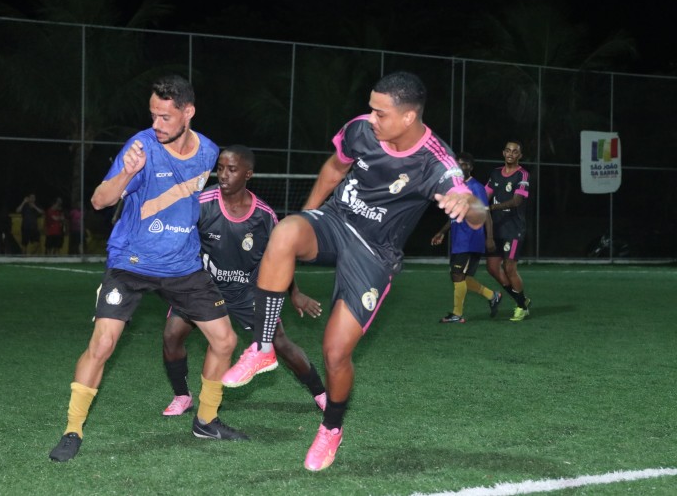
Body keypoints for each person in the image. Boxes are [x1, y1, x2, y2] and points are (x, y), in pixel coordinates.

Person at [221, 71, 487, 471]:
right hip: (335, 221)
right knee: (286, 232)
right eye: (371, 108)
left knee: (335, 351)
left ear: (409, 117)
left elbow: (474, 210)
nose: (371, 117)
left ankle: (331, 429)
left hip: (374, 253)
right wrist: (307, 215)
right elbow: (333, 170)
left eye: (381, 113)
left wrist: (468, 203)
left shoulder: (436, 161)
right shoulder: (360, 131)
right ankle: (262, 348)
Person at [49, 74, 247, 464]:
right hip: (131, 262)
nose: (157, 124)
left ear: (188, 113)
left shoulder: (208, 152)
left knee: (225, 342)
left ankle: (206, 421)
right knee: (102, 344)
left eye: (166, 118)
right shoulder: (140, 146)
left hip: (182, 264)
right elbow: (100, 200)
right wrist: (126, 171)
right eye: (153, 115)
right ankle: (72, 430)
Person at [161, 145, 327, 417]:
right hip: (204, 289)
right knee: (171, 335)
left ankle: (321, 393)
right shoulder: (202, 204)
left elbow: (280, 258)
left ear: (248, 174)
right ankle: (182, 396)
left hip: (246, 292)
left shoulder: (264, 216)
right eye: (221, 168)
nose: (224, 175)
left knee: (280, 344)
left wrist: (295, 292)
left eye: (232, 169)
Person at [431, 152, 502, 323]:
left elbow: (486, 215)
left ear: (470, 167)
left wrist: (490, 238)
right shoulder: (456, 188)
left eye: (463, 164)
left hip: (471, 238)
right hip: (458, 239)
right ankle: (493, 296)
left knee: (457, 274)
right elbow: (455, 215)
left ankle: (457, 314)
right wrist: (442, 232)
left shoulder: (476, 187)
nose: (459, 167)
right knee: (461, 277)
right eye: (457, 164)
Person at [484, 141, 531, 321]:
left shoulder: (523, 175)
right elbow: (484, 193)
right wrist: (471, 199)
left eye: (515, 151)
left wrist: (493, 207)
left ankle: (521, 307)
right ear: (503, 153)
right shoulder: (496, 172)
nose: (511, 154)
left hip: (514, 228)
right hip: (495, 228)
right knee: (492, 268)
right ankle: (522, 300)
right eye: (508, 150)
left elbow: (517, 201)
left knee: (509, 267)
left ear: (519, 155)